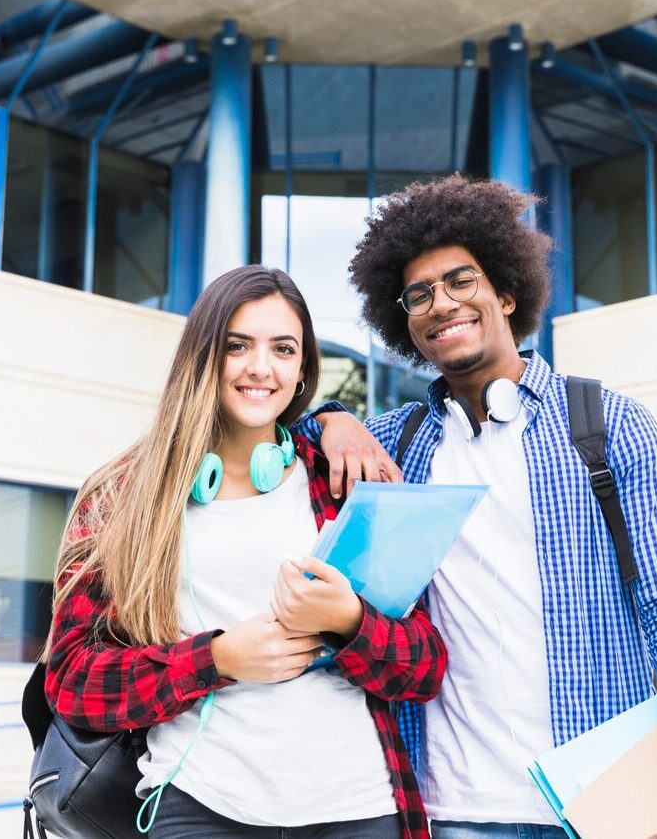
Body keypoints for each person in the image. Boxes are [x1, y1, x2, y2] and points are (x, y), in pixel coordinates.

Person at [297, 175, 657, 839]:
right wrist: (333, 418)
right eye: (418, 295)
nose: (439, 303)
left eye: (460, 281)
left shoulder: (609, 426)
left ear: (507, 292)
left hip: (607, 807)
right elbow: (280, 433)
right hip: (452, 810)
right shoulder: (397, 446)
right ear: (406, 326)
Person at [42, 265, 446, 839]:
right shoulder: (125, 497)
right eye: (238, 346)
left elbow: (423, 666)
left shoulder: (343, 487)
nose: (262, 367)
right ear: (202, 356)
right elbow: (76, 682)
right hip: (198, 804)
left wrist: (349, 622)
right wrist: (218, 660)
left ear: (303, 369)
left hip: (357, 807)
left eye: (284, 348)